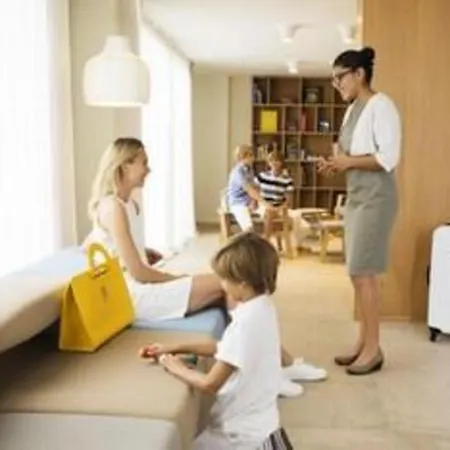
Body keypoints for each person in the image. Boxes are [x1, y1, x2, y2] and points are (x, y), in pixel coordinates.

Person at [86, 137, 324, 395]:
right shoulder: (113, 207)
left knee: (235, 286)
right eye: (144, 163)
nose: (148, 169)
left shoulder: (129, 204)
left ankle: (272, 367)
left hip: (139, 286)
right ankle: (274, 368)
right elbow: (138, 273)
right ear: (124, 165)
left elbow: (126, 253)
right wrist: (177, 278)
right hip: (134, 296)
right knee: (228, 283)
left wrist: (147, 254)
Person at [140, 232, 293, 449]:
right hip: (261, 425)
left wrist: (175, 367)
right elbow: (225, 348)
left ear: (242, 283)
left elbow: (210, 384)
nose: (221, 284)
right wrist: (175, 346)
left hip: (241, 437)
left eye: (224, 279)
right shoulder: (263, 307)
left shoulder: (244, 325)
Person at [318, 47, 401, 375]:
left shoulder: (382, 105)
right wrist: (335, 164)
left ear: (359, 74)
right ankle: (363, 342)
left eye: (339, 77)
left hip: (376, 198)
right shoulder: (352, 110)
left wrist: (346, 162)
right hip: (356, 196)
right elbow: (351, 156)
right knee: (356, 272)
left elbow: (387, 158)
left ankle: (373, 349)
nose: (336, 84)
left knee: (365, 274)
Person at [255, 150, 294, 240]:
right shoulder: (262, 176)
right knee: (269, 212)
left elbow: (288, 200)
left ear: (281, 163)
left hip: (279, 207)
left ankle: (265, 240)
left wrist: (281, 207)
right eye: (271, 160)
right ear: (268, 163)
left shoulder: (287, 180)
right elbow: (254, 191)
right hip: (263, 206)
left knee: (271, 213)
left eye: (277, 160)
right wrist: (254, 202)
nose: (274, 163)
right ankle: (266, 240)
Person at [226, 144, 260, 232]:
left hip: (248, 201)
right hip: (238, 203)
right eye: (250, 155)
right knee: (249, 228)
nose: (253, 158)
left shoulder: (249, 169)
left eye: (252, 155)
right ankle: (244, 239)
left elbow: (254, 187)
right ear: (242, 157)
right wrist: (263, 202)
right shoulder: (237, 172)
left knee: (268, 214)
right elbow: (249, 189)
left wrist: (254, 200)